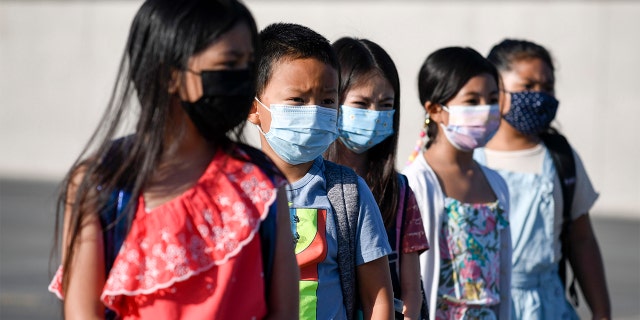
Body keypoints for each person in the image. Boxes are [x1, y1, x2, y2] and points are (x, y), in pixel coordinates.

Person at [47, 1, 299, 319]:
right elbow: (83, 313)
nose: (244, 79)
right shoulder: (101, 185)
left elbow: (284, 313)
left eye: (249, 64)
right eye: (229, 63)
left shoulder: (261, 184)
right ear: (169, 75)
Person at [247, 23, 394, 320]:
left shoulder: (348, 192)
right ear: (253, 108)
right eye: (297, 100)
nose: (314, 111)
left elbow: (377, 297)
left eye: (327, 101)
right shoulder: (231, 192)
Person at [473, 38, 611, 320]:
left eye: (547, 87)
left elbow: (582, 239)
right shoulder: (469, 157)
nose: (539, 96)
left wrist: (602, 312)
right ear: (494, 88)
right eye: (527, 86)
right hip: (483, 304)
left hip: (550, 306)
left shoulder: (561, 158)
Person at [324, 37, 430, 320]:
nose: (374, 115)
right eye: (361, 103)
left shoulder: (400, 190)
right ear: (331, 100)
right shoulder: (311, 185)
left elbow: (411, 292)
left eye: (385, 105)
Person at [403, 47, 512, 319]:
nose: (486, 111)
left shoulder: (496, 183)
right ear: (436, 110)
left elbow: (503, 277)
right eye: (472, 101)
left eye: (492, 99)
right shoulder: (416, 182)